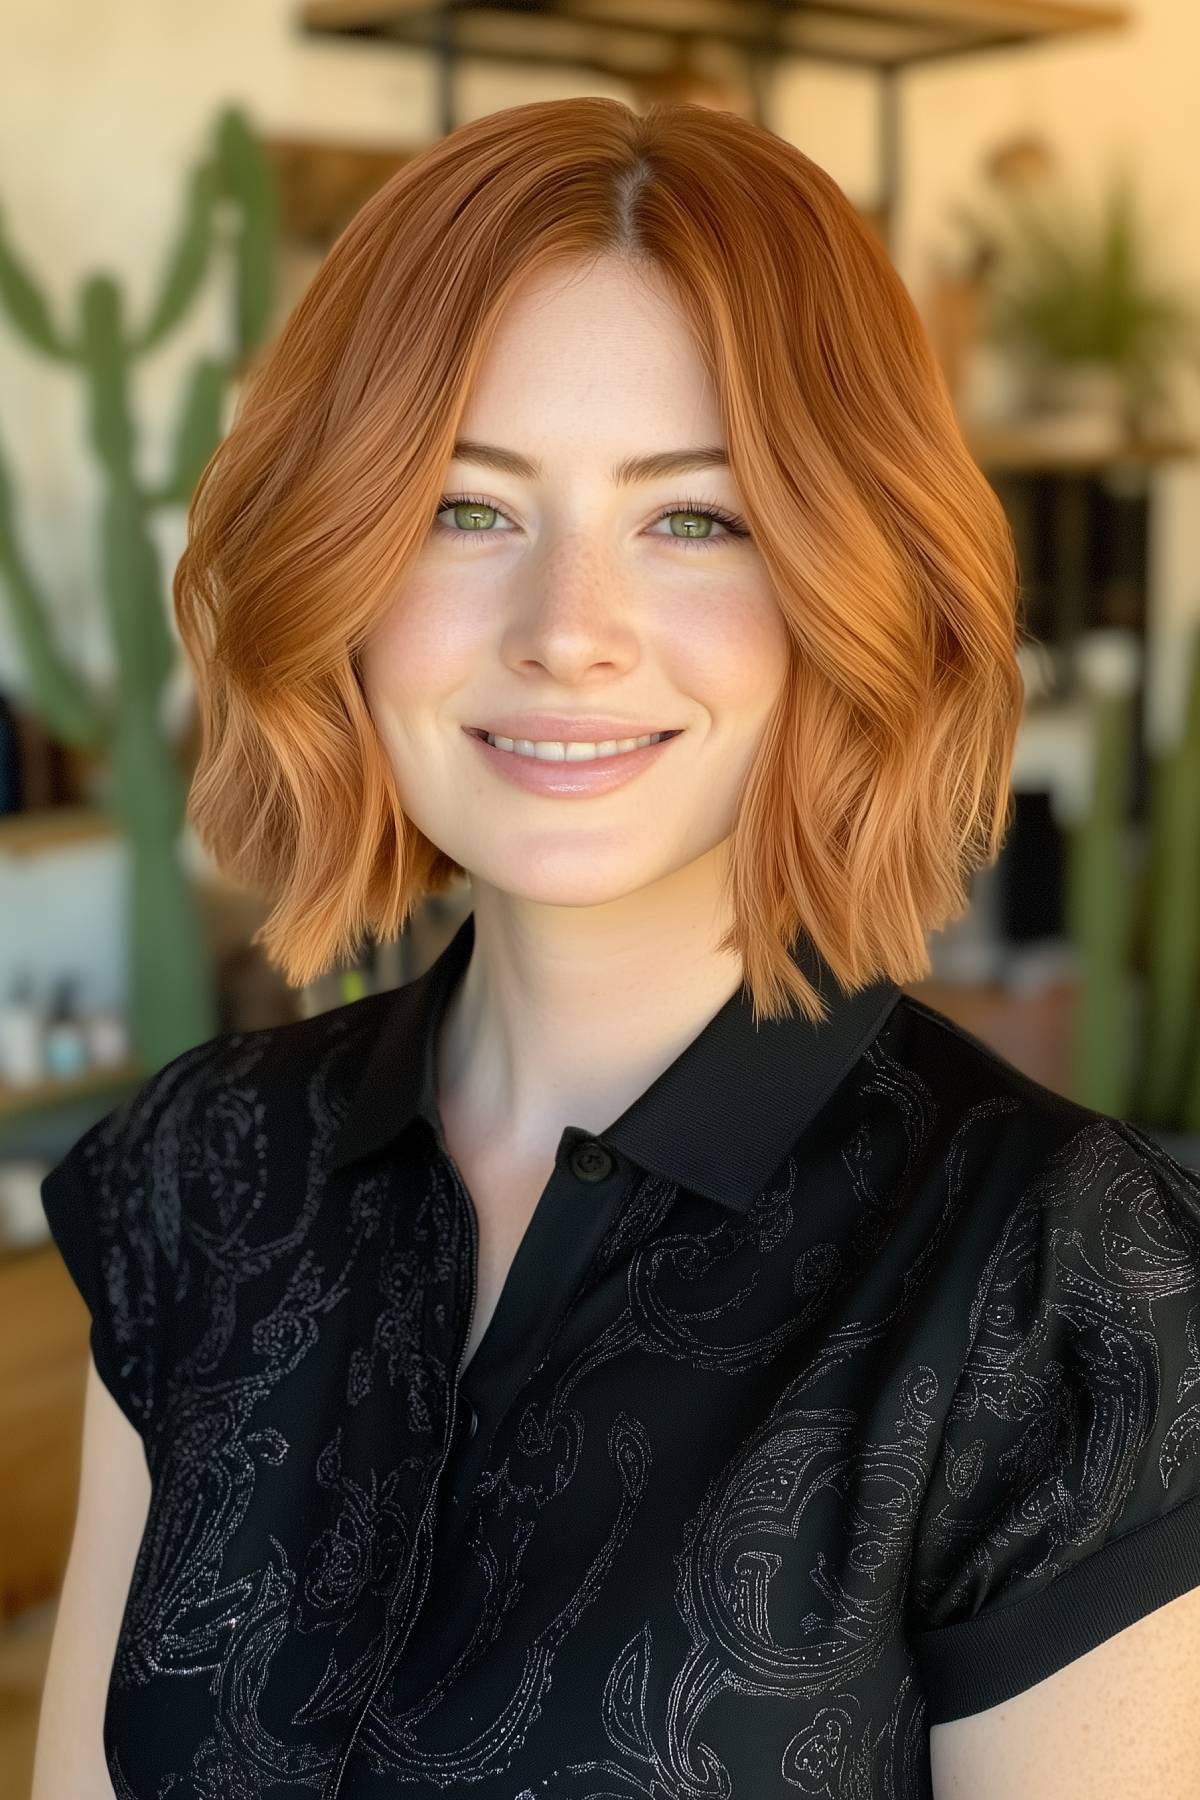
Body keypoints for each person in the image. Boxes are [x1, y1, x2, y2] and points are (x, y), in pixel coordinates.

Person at [33, 95, 1200, 1800]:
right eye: (464, 508)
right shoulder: (196, 1174)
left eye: (695, 519)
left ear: (846, 585)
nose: (570, 631)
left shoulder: (1064, 1287)